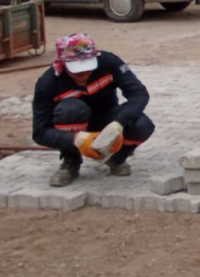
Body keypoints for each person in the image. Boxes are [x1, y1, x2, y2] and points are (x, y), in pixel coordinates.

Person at [32, 33, 155, 187]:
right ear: (63, 63)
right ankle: (71, 161)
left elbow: (139, 94)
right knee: (70, 109)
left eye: (87, 67)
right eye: (77, 70)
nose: (84, 74)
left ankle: (117, 158)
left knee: (142, 124)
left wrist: (118, 123)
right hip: (74, 123)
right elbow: (40, 133)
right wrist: (76, 139)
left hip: (107, 117)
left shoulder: (109, 63)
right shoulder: (47, 84)